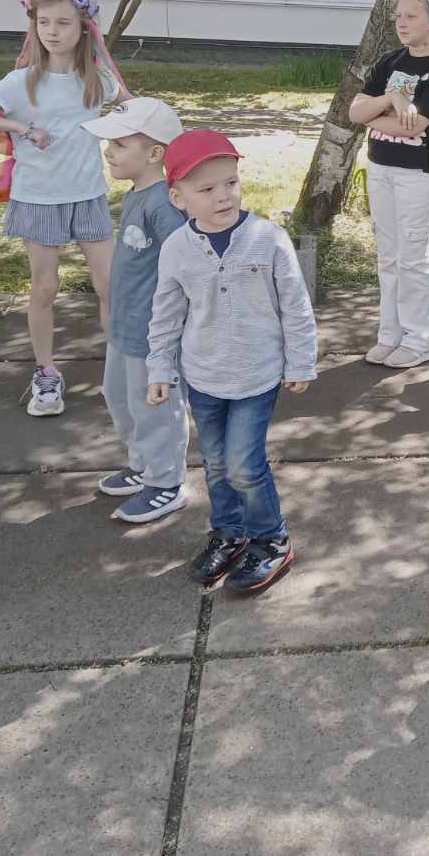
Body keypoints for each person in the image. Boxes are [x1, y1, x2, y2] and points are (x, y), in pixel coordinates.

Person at [146, 130, 318, 594]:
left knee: (244, 465)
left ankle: (271, 539)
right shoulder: (176, 249)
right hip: (203, 377)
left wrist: (301, 360)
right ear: (178, 198)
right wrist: (160, 367)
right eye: (206, 189)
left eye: (231, 183)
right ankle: (229, 532)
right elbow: (166, 313)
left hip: (256, 375)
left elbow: (295, 305)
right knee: (217, 465)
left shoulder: (268, 239)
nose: (223, 195)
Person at [0, 0, 128, 415]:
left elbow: (131, 108)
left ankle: (122, 370)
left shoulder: (96, 79)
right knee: (45, 287)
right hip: (39, 199)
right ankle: (46, 373)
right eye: (43, 22)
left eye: (62, 23)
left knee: (110, 284)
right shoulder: (21, 81)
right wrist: (19, 127)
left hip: (87, 196)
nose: (52, 31)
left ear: (83, 27)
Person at [81, 97, 190, 522]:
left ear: (155, 153)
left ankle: (166, 482)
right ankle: (144, 464)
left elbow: (186, 263)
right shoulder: (136, 195)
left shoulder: (163, 204)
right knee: (120, 398)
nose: (108, 152)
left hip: (153, 332)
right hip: (126, 327)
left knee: (154, 407)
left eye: (120, 144)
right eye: (110, 143)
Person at [349, 0, 429, 368]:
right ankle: (390, 335)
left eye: (411, 16)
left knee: (412, 258)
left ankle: (421, 339)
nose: (401, 22)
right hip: (380, 169)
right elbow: (355, 111)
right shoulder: (389, 61)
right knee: (388, 258)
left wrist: (373, 118)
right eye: (398, 15)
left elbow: (415, 127)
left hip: (415, 175)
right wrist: (391, 100)